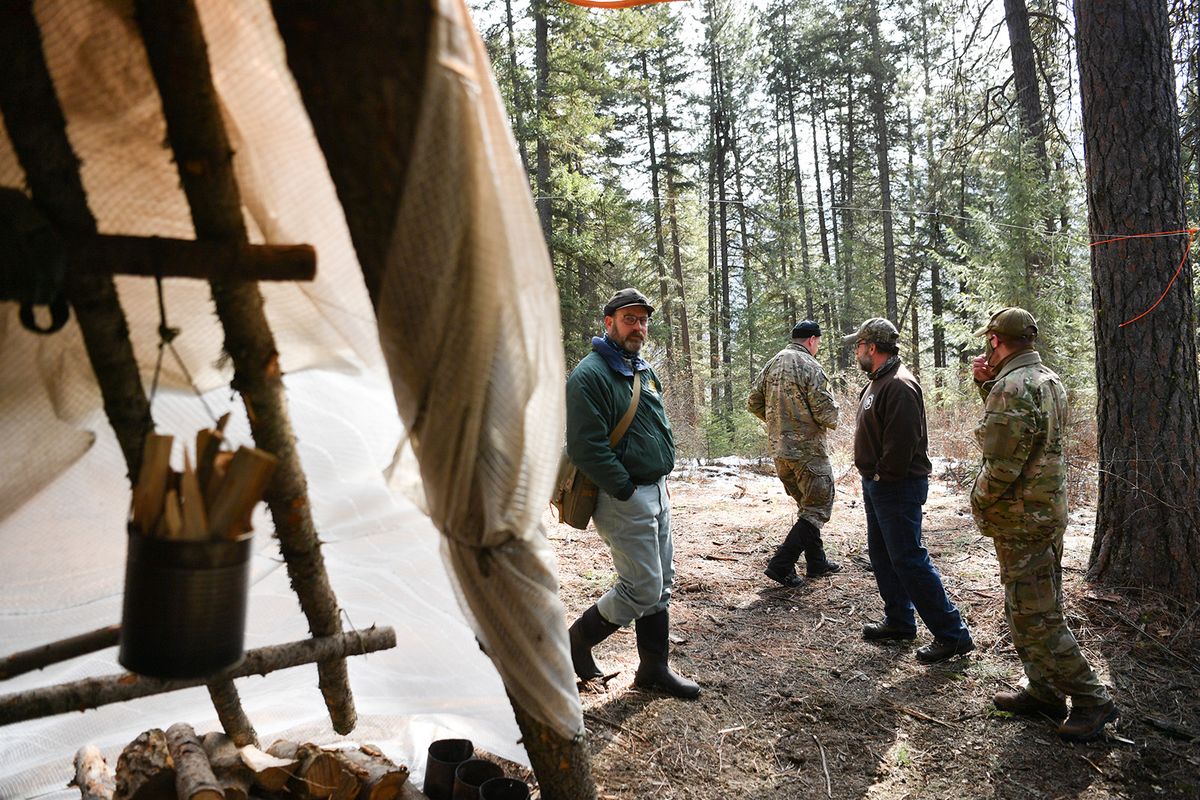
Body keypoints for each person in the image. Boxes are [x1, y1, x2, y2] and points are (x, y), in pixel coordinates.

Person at [970, 307, 1119, 741]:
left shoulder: (1012, 386)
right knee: (1026, 605)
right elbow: (1029, 436)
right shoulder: (1045, 379)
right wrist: (986, 387)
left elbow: (1002, 461)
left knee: (1037, 614)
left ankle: (1092, 699)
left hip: (1022, 517)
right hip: (1045, 510)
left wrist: (977, 499)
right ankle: (1043, 690)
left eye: (988, 341)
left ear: (996, 341)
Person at [563, 288, 700, 699]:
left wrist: (660, 475)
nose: (638, 327)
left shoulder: (641, 368)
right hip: (625, 497)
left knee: (661, 583)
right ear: (608, 323)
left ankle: (654, 668)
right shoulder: (589, 375)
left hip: (656, 491)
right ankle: (576, 641)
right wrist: (624, 488)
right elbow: (586, 446)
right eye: (629, 319)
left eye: (642, 320)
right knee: (640, 587)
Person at [845, 317, 975, 664]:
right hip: (878, 485)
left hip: (896, 486)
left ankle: (952, 634)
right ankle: (900, 621)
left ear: (872, 348)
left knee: (909, 559)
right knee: (883, 555)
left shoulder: (899, 385)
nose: (856, 352)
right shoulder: (878, 381)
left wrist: (882, 477)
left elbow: (902, 442)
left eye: (858, 346)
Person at [748, 320, 841, 588]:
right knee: (817, 507)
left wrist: (780, 423)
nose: (818, 347)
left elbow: (753, 402)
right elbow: (826, 413)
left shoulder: (772, 363)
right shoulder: (810, 366)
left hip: (780, 452)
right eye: (819, 342)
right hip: (808, 452)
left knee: (806, 506)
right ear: (812, 340)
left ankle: (816, 562)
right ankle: (782, 564)